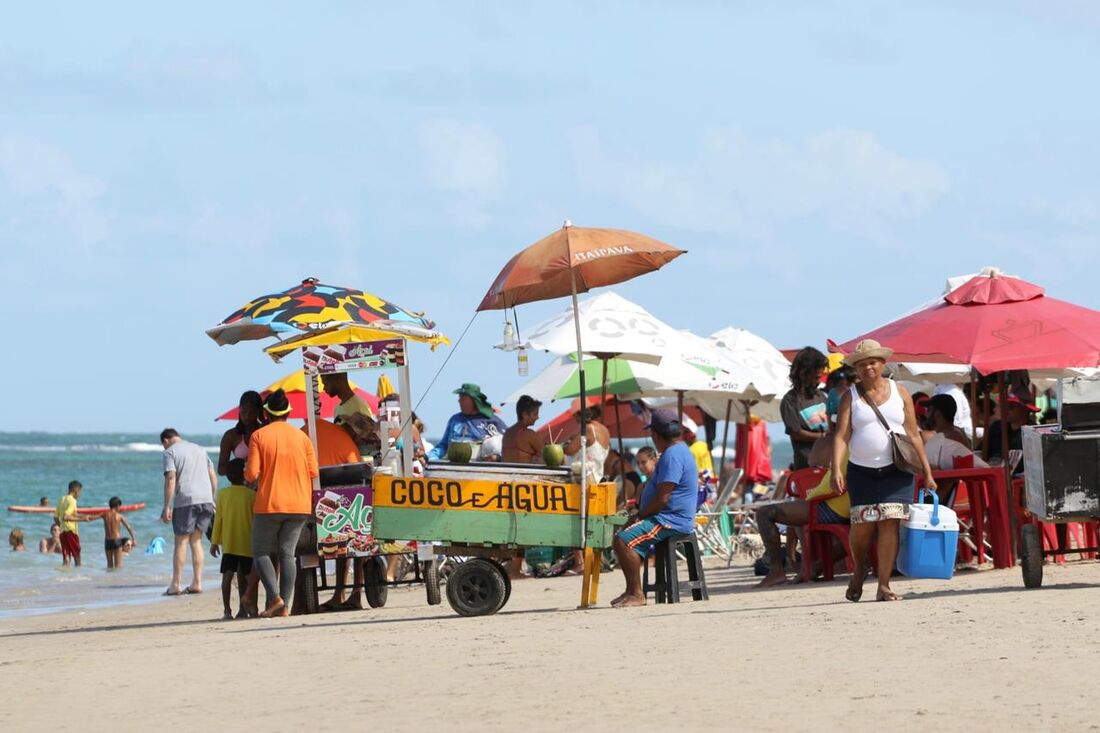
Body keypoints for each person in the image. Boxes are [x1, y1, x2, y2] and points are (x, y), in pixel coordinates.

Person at [832, 339, 936, 603]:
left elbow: (913, 434)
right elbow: (842, 436)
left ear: (882, 364)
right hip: (862, 471)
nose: (869, 367)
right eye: (863, 364)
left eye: (873, 362)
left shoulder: (900, 392)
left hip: (897, 470)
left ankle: (884, 585)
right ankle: (859, 568)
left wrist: (927, 472)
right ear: (856, 368)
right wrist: (836, 468)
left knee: (889, 525)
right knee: (863, 527)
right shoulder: (850, 397)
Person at [610, 409, 699, 608]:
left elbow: (662, 498)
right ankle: (630, 590)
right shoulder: (677, 451)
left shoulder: (673, 455)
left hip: (670, 520)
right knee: (622, 537)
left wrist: (640, 515)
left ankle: (636, 593)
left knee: (624, 541)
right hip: (667, 517)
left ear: (656, 435)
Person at [245, 389, 319, 618]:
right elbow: (313, 471)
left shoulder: (259, 436)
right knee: (287, 554)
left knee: (260, 552)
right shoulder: (302, 438)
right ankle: (283, 606)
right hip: (299, 504)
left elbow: (250, 474)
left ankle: (275, 596)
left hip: (270, 503)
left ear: (266, 413)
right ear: (288, 412)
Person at [755, 434, 850, 587]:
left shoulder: (837, 443)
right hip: (854, 506)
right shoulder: (864, 443)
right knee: (852, 534)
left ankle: (777, 572)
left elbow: (813, 461)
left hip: (832, 504)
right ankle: (812, 567)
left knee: (764, 513)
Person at [160, 429, 217, 595]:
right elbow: (212, 475)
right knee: (196, 541)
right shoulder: (199, 449)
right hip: (206, 499)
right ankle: (197, 583)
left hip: (186, 500)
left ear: (165, 441)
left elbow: (171, 479)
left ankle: (175, 585)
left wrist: (167, 506)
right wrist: (212, 498)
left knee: (181, 542)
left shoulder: (170, 452)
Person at [210, 459, 256, 620]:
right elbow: (255, 520)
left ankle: (227, 611)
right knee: (250, 579)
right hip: (247, 544)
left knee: (227, 578)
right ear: (245, 475)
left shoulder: (223, 494)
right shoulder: (252, 495)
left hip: (229, 544)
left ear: (228, 476)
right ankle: (252, 608)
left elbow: (218, 520)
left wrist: (214, 542)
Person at [428, 383, 508, 461]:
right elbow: (443, 446)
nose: (459, 401)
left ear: (474, 400)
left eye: (462, 398)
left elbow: (509, 445)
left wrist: (498, 458)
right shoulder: (454, 420)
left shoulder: (492, 421)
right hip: (453, 469)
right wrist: (429, 458)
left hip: (481, 470)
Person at [781, 347, 830, 470]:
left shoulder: (821, 396)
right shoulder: (790, 400)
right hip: (807, 466)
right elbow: (795, 433)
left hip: (829, 464)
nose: (819, 381)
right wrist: (823, 436)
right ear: (803, 373)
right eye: (816, 377)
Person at [983, 391, 1039, 471]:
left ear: (1025, 408)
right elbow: (982, 451)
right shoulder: (996, 428)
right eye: (1003, 406)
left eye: (1010, 407)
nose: (1005, 410)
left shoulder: (1033, 433)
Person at [218, 390, 264, 476]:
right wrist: (239, 466)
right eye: (244, 412)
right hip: (241, 487)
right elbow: (221, 469)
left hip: (263, 487)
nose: (247, 416)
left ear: (258, 412)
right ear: (239, 410)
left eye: (252, 412)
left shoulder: (265, 432)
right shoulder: (231, 436)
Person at [563, 405, 611, 484]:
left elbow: (569, 450)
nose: (574, 419)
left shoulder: (588, 429)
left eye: (574, 415)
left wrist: (566, 444)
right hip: (598, 477)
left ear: (579, 415)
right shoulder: (605, 429)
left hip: (586, 480)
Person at [56, 480, 95, 567]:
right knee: (77, 555)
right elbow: (66, 516)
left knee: (66, 557)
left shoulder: (61, 499)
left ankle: (65, 576)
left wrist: (84, 516)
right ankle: (78, 575)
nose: (80, 494)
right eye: (80, 492)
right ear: (76, 491)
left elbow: (56, 517)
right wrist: (82, 520)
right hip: (71, 531)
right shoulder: (72, 500)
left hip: (62, 532)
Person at [502, 395, 546, 464]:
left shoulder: (507, 433)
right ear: (525, 415)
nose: (538, 417)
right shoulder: (529, 434)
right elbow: (548, 454)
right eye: (535, 414)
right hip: (524, 473)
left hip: (507, 472)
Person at [97, 497, 136, 570]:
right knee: (118, 565)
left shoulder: (104, 514)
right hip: (116, 541)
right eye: (120, 506)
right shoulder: (119, 516)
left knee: (109, 565)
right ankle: (116, 580)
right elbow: (128, 527)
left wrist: (80, 518)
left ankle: (109, 580)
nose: (120, 508)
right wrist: (134, 538)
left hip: (107, 541)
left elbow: (90, 518)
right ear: (117, 505)